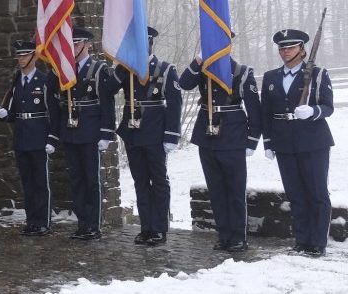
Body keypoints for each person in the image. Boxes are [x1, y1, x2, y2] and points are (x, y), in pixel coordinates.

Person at [177, 46, 261, 252]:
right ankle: (224, 235)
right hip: (207, 137)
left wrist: (251, 141)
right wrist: (198, 60)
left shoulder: (241, 72)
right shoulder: (203, 69)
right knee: (216, 190)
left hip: (232, 137)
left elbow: (255, 111)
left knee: (235, 190)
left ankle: (238, 237)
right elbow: (183, 83)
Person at [260, 28, 334, 257]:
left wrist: (313, 110)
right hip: (284, 141)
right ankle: (302, 240)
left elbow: (328, 107)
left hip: (313, 141)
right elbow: (266, 112)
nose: (285, 52)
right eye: (282, 48)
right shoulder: (271, 77)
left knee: (317, 193)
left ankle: (318, 242)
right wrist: (269, 142)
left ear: (302, 49)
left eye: (290, 47)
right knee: (295, 194)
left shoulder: (318, 74)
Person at [108, 26, 182, 246]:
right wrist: (121, 67)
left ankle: (159, 228)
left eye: (144, 43)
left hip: (155, 132)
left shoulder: (166, 69)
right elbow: (107, 89)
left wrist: (171, 135)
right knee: (140, 181)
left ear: (150, 44)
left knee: (158, 181)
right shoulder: (126, 70)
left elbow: (175, 105)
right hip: (132, 133)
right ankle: (146, 227)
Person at [0, 39, 61, 236]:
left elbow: (54, 112)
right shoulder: (17, 82)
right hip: (22, 138)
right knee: (28, 182)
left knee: (41, 182)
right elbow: (15, 112)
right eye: (19, 56)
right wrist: (6, 115)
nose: (21, 59)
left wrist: (52, 138)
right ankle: (32, 220)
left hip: (39, 136)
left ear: (34, 56)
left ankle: (44, 222)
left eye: (24, 55)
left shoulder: (44, 80)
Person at [59, 29, 115, 240]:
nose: (72, 48)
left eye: (76, 44)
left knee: (92, 180)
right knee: (76, 179)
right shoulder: (66, 69)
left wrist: (106, 133)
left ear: (88, 45)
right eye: (70, 44)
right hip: (71, 131)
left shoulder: (98, 69)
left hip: (91, 131)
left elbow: (106, 103)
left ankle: (94, 225)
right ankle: (82, 223)